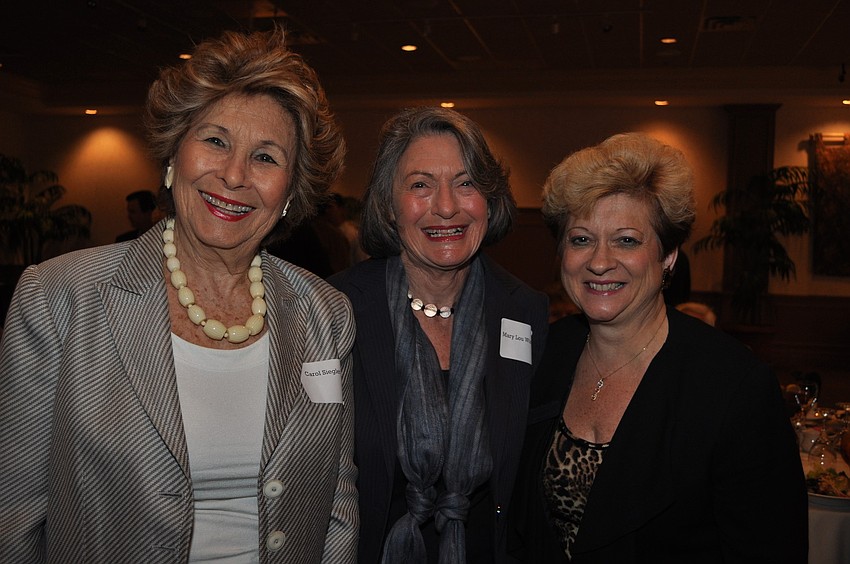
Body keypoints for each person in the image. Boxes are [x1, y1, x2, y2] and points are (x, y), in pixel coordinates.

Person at [0, 28, 357, 562]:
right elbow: (13, 515)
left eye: (266, 157)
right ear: (173, 155)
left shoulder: (325, 314)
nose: (234, 175)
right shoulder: (59, 298)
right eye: (215, 141)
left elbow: (337, 502)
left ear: (290, 191)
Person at [508, 133, 807, 563]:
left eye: (627, 240)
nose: (599, 261)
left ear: (668, 256)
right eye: (581, 239)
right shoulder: (545, 353)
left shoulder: (735, 387)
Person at [329, 107, 548, 563]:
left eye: (466, 184)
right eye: (420, 185)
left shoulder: (524, 311)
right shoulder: (336, 308)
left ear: (489, 200)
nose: (447, 207)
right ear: (388, 206)